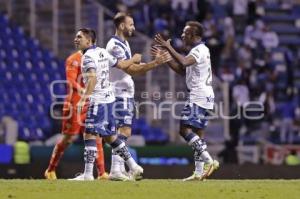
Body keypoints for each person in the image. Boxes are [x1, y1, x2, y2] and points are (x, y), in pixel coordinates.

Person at [70, 28, 144, 181]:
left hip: (98, 100)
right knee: (110, 137)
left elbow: (92, 79)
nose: (76, 39)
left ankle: (88, 175)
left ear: (88, 41)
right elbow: (122, 64)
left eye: (79, 37)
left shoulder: (88, 57)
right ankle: (134, 166)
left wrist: (83, 99)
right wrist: (134, 59)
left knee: (89, 134)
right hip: (110, 99)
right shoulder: (102, 52)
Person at [106, 12, 171, 181]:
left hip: (123, 93)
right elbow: (131, 69)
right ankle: (116, 169)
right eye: (131, 24)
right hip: (118, 93)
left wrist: (154, 63)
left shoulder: (123, 43)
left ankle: (117, 169)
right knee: (124, 131)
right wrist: (153, 63)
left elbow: (136, 67)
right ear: (121, 26)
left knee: (123, 131)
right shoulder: (115, 45)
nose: (133, 27)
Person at [153, 21, 219, 181]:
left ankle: (209, 161)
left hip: (199, 95)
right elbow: (182, 70)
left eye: (185, 32)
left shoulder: (200, 50)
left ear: (194, 35)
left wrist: (168, 47)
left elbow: (183, 62)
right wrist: (165, 59)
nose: (182, 35)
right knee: (198, 134)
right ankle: (198, 172)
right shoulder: (197, 51)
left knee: (184, 130)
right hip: (206, 96)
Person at [44, 50, 108, 180]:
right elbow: (71, 81)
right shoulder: (72, 59)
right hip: (74, 104)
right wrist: (85, 91)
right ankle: (50, 169)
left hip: (90, 104)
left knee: (96, 136)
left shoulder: (96, 58)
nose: (78, 40)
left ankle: (102, 173)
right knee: (68, 139)